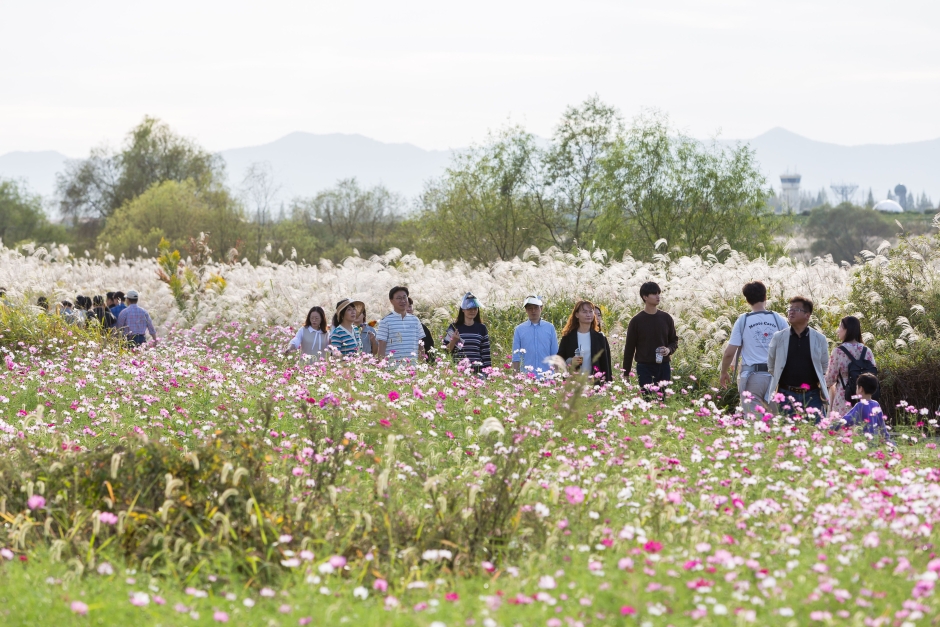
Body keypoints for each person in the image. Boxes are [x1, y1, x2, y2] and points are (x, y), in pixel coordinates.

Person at [719, 281, 789, 414]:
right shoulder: (778, 319)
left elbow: (729, 352)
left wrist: (724, 372)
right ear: (765, 296)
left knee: (754, 423)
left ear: (747, 300)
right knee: (775, 423)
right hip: (776, 378)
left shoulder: (743, 320)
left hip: (752, 377)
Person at [766, 296, 829, 421]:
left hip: (812, 395)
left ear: (807, 315)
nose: (791, 312)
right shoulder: (779, 337)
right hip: (785, 394)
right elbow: (771, 365)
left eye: (796, 309)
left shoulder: (819, 339)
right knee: (787, 435)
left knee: (816, 434)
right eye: (790, 309)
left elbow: (824, 366)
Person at [622, 282, 678, 391]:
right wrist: (626, 372)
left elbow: (674, 340)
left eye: (658, 293)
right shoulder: (636, 321)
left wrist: (668, 350)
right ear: (645, 297)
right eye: (654, 294)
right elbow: (629, 348)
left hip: (664, 366)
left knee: (662, 399)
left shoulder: (666, 318)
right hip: (644, 367)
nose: (658, 296)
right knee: (647, 400)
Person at [825, 316, 877, 417]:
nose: (838, 330)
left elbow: (829, 380)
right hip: (865, 399)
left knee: (843, 430)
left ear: (847, 330)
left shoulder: (838, 351)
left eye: (840, 327)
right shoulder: (867, 351)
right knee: (862, 430)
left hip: (844, 399)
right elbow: (873, 376)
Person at [557, 299, 613, 384]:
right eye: (584, 312)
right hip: (573, 384)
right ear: (576, 315)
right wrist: (571, 361)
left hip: (595, 384)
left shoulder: (600, 338)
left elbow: (606, 364)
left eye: (591, 312)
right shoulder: (568, 337)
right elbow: (560, 359)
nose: (588, 315)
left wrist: (608, 384)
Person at [511, 295, 559, 378]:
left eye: (536, 308)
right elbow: (516, 355)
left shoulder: (550, 327)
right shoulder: (519, 329)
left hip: (547, 376)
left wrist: (557, 374)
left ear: (541, 308)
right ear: (526, 310)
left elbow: (554, 353)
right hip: (526, 377)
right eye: (530, 308)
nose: (533, 311)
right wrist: (515, 374)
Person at [442, 292, 491, 374]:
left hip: (477, 371)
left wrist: (488, 373)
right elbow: (446, 351)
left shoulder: (482, 328)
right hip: (458, 372)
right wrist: (453, 340)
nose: (472, 311)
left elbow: (485, 353)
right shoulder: (454, 327)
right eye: (469, 309)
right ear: (463, 310)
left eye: (475, 309)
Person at [376, 286, 426, 364]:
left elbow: (420, 344)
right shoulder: (385, 321)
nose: (402, 301)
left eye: (404, 297)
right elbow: (381, 346)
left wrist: (423, 363)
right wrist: (381, 365)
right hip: (392, 369)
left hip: (413, 368)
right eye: (398, 298)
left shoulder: (415, 320)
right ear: (391, 301)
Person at [838, 373, 891, 444]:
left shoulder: (860, 405)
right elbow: (882, 425)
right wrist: (887, 439)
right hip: (874, 441)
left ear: (860, 389)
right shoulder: (876, 404)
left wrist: (833, 426)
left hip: (862, 442)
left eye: (857, 387)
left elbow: (847, 420)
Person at [408, 297, 436, 364]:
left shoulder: (421, 327)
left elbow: (429, 347)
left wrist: (428, 363)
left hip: (418, 364)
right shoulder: (394, 326)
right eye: (405, 306)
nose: (408, 309)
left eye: (410, 306)